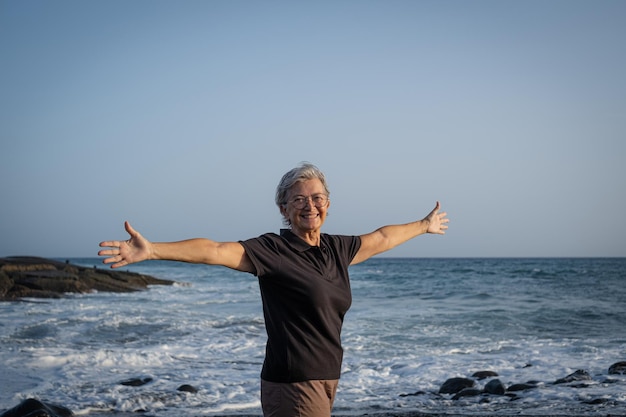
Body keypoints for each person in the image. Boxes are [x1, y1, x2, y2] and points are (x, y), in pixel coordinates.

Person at [98, 162, 449, 417]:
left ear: (328, 203)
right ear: (283, 208)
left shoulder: (337, 249)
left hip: (326, 378)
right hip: (293, 384)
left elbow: (383, 237)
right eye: (298, 200)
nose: (309, 205)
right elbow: (216, 251)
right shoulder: (273, 251)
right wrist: (154, 249)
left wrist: (424, 225)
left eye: (317, 197)